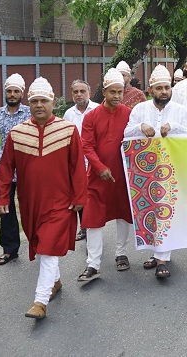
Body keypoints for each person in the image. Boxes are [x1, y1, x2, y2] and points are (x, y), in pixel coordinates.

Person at [0, 77, 87, 320]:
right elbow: (5, 168)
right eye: (34, 101)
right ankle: (54, 281)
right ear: (29, 103)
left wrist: (79, 196)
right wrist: (2, 197)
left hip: (61, 202)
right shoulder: (17, 133)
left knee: (47, 246)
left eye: (43, 101)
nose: (39, 105)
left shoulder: (68, 130)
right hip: (30, 203)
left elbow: (78, 166)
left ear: (53, 103)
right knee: (39, 243)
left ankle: (40, 301)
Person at [124, 65, 187, 278]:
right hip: (145, 170)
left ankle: (162, 258)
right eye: (159, 88)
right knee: (149, 210)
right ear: (150, 90)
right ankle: (157, 253)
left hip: (171, 168)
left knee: (166, 209)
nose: (164, 91)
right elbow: (126, 134)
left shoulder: (180, 111)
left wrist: (173, 126)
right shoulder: (139, 110)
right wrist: (140, 127)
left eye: (167, 87)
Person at [78, 69, 133, 282]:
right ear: (104, 92)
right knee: (93, 219)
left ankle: (121, 253)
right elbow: (86, 145)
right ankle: (93, 264)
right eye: (113, 92)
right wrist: (100, 167)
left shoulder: (129, 114)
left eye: (120, 92)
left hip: (122, 174)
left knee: (122, 214)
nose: (117, 96)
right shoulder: (91, 116)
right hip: (96, 176)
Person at [0, 73, 31, 266]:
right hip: (5, 170)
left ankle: (39, 244)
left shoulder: (30, 112)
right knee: (5, 209)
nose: (12, 94)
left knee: (32, 208)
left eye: (16, 91)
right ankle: (10, 250)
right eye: (9, 91)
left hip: (27, 168)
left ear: (22, 93)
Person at [63, 79, 99, 241]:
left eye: (82, 91)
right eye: (75, 92)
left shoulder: (97, 110)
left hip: (94, 161)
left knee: (94, 197)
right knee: (79, 195)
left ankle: (95, 227)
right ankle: (84, 228)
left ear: (89, 93)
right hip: (76, 163)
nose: (79, 94)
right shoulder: (68, 114)